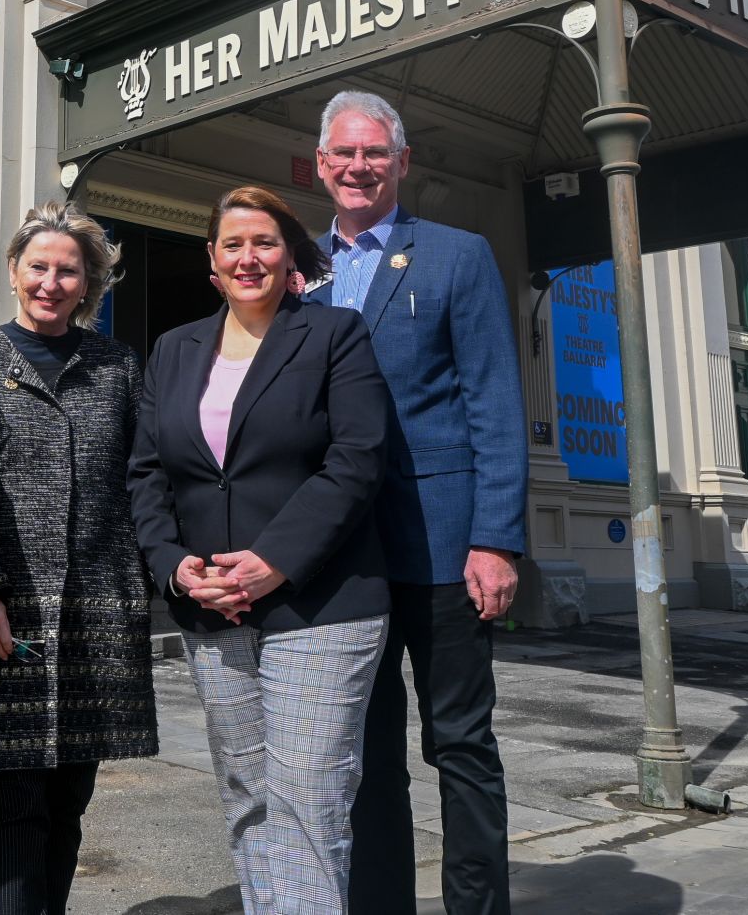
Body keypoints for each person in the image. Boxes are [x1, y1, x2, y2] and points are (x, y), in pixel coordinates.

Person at [128, 185, 392, 913]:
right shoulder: (174, 349)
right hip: (212, 611)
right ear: (212, 261)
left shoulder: (336, 334)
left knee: (307, 796)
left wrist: (274, 558)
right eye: (233, 243)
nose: (249, 256)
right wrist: (173, 567)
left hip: (322, 603)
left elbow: (358, 458)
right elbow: (148, 472)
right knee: (247, 795)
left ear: (289, 256)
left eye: (265, 242)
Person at [303, 91, 528, 915]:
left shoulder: (458, 256)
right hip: (340, 559)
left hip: (444, 549)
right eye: (343, 154)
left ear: (402, 162)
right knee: (362, 752)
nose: (358, 167)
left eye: (374, 153)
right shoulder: (301, 274)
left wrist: (496, 538)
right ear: (320, 163)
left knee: (461, 744)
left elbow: (493, 402)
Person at [0, 202, 156, 915]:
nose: (52, 281)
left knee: (69, 795)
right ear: (13, 269)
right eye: (39, 266)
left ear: (89, 281)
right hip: (7, 611)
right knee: (13, 794)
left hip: (96, 613)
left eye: (69, 269)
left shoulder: (118, 365)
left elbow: (144, 478)